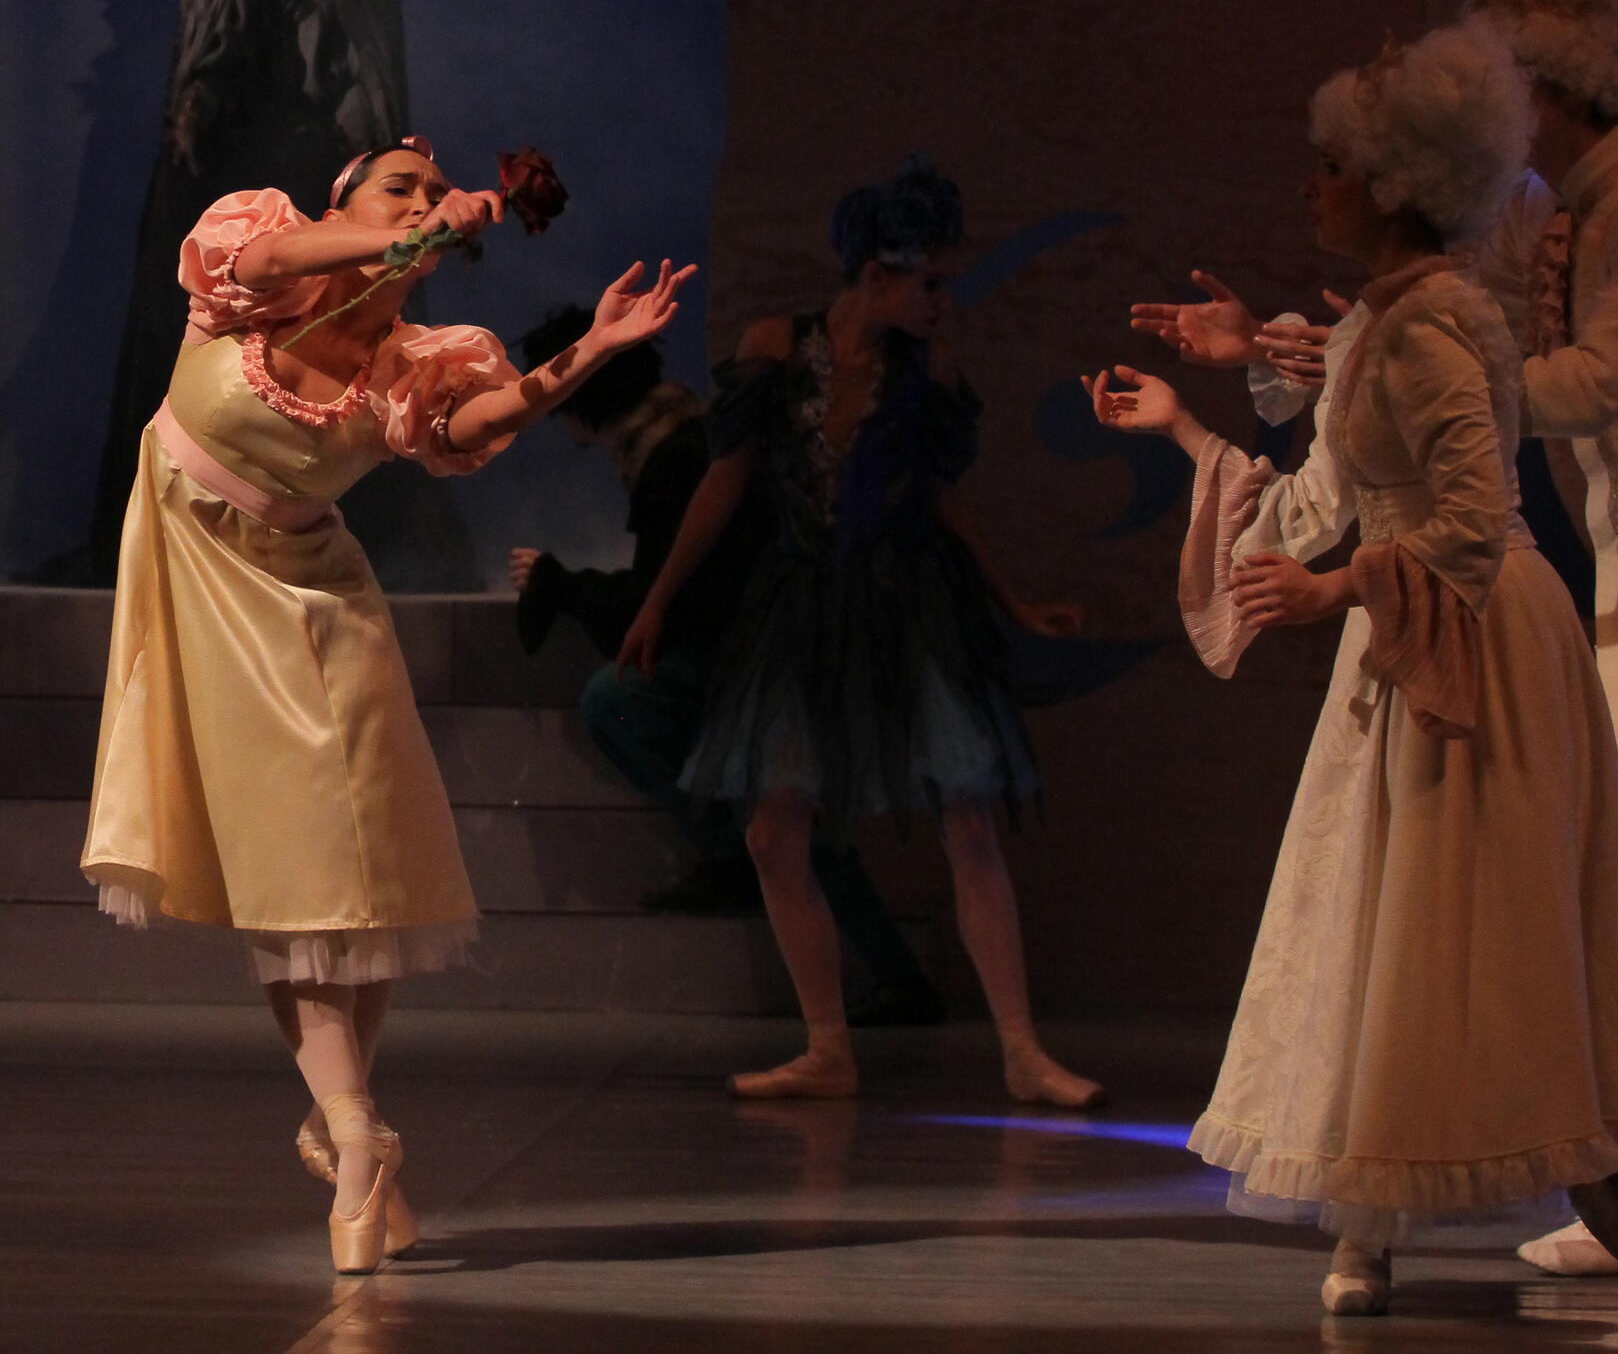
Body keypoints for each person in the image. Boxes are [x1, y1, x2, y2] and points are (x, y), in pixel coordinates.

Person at [81, 135, 692, 1274]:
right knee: (284, 875)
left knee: (351, 877)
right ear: (344, 200)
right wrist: (405, 239)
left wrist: (595, 351)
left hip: (319, 593)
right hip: (205, 578)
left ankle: (353, 1132)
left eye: (432, 193)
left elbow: (475, 425)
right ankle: (358, 1136)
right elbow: (274, 259)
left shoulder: (417, 358)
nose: (420, 200)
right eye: (397, 186)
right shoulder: (265, 257)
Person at [1091, 21, 1618, 1315]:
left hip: (1474, 632)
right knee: (1377, 912)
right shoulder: (1382, 326)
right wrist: (1188, 431)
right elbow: (1324, 497)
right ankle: (1364, 1222)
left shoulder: (1436, 326)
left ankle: (1561, 1197)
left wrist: (1337, 590)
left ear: (1394, 183)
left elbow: (1467, 518)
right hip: (1409, 627)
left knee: (1486, 929)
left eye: (1332, 166)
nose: (1312, 186)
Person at [622, 159, 1098, 1108]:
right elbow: (726, 477)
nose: (942, 302)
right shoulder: (775, 348)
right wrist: (659, 597)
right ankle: (828, 1045)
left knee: (969, 811)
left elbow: (942, 496)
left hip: (906, 602)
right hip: (802, 606)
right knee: (773, 827)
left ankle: (1022, 1050)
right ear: (877, 276)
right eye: (930, 284)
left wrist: (1011, 600)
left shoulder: (929, 370)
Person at [75, 0, 468, 588]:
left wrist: (373, 205)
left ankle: (350, 528)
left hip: (326, 195)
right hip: (238, 202)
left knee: (335, 354)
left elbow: (370, 100)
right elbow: (196, 91)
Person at [506, 306, 944, 1025]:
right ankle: (887, 973)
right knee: (784, 812)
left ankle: (879, 969)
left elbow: (670, 594)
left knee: (650, 724)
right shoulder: (679, 436)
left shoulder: (672, 454)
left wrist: (562, 583)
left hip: (764, 656)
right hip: (771, 645)